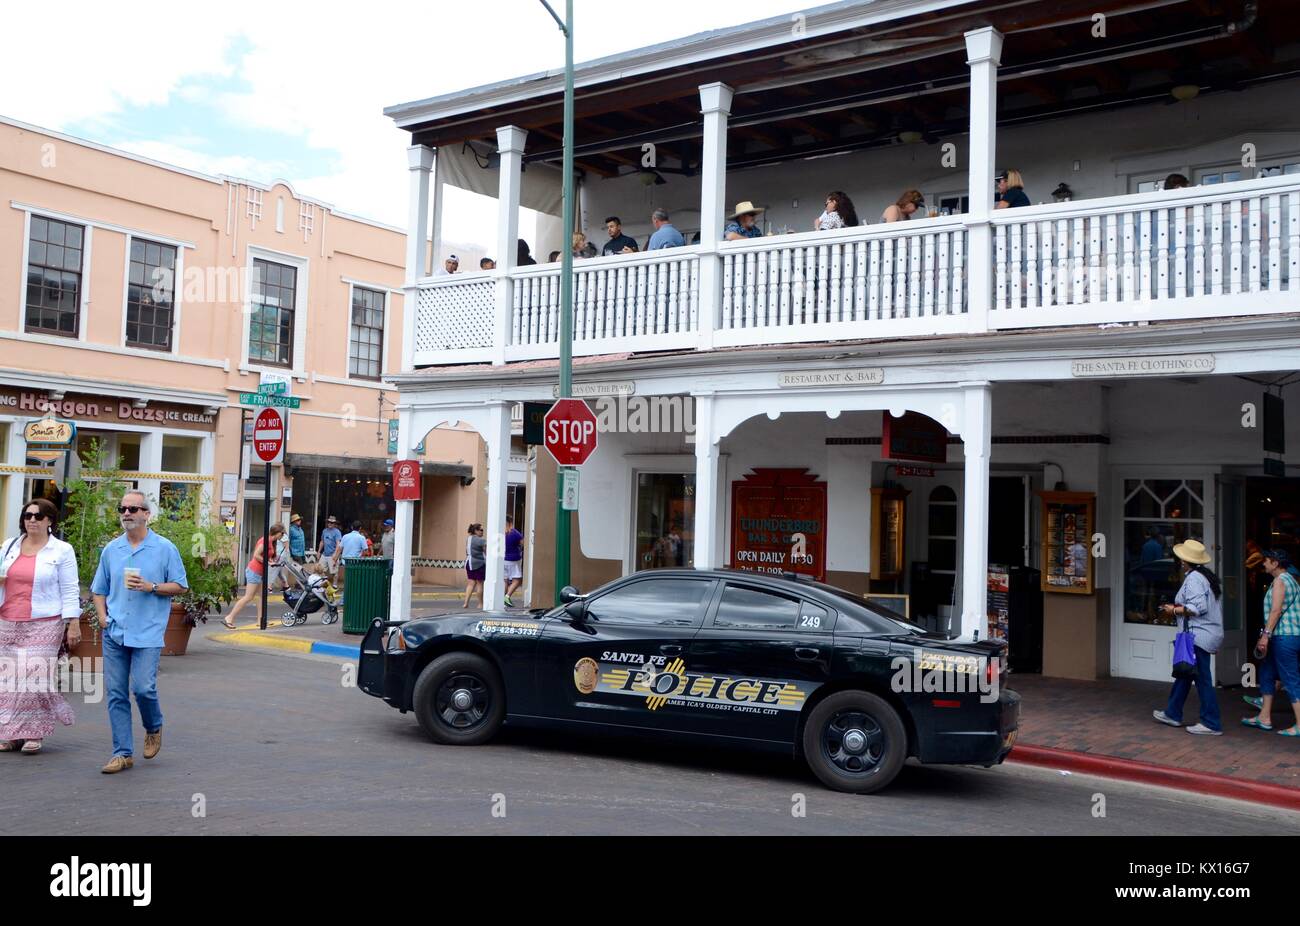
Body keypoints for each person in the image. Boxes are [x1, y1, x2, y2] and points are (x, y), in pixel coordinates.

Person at [90, 490, 188, 774]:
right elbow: (99, 589)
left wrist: (152, 587)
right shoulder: (112, 549)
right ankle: (122, 753)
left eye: (134, 509)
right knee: (116, 693)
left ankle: (153, 725)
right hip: (116, 631)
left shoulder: (165, 548)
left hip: (147, 631)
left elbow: (180, 585)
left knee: (143, 688)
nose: (127, 514)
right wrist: (103, 617)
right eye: (123, 509)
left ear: (147, 513)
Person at [0, 498, 78, 754]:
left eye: (38, 515)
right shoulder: (9, 546)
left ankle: (34, 732)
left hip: (45, 622)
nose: (32, 519)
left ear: (50, 521)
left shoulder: (61, 550)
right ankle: (10, 733)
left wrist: (73, 622)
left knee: (33, 676)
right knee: (8, 679)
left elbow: (69, 588)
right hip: (8, 620)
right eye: (28, 515)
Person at [1152, 539, 1223, 735]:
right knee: (1185, 673)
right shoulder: (1206, 577)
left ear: (1185, 561)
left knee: (1201, 679)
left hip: (1197, 636)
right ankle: (1173, 713)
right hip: (1205, 634)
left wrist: (1172, 610)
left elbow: (1196, 608)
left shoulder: (1193, 579)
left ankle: (1211, 722)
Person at [1244, 549, 1300, 736]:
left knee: (1290, 680)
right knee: (1267, 673)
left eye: (1267, 561)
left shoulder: (1280, 581)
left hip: (1283, 636)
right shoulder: (1292, 579)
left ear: (1276, 563)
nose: (1264, 563)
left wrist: (1265, 635)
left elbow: (1275, 611)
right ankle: (1264, 717)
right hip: (1286, 635)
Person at [224, 523, 285, 630]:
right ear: (277, 532)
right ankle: (229, 617)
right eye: (282, 533)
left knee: (262, 596)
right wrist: (268, 562)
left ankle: (260, 620)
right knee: (248, 597)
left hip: (260, 573)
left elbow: (264, 555)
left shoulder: (271, 542)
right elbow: (256, 555)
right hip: (254, 571)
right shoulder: (265, 540)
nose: (283, 535)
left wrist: (271, 560)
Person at [335, 521, 367, 592]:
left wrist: (335, 559)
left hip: (346, 562)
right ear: (360, 528)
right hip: (356, 562)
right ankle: (353, 592)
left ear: (352, 527)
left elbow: (340, 549)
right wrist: (361, 557)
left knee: (347, 579)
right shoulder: (362, 538)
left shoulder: (345, 536)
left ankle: (347, 594)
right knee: (355, 580)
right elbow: (365, 551)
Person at [463, 523, 486, 609]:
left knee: (471, 583)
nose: (482, 532)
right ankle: (480, 604)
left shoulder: (469, 539)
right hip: (478, 564)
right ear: (476, 531)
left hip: (469, 563)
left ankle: (466, 603)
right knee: (479, 584)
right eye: (481, 530)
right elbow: (487, 549)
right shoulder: (480, 540)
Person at [503, 516, 524, 607]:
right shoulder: (515, 533)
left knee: (505, 580)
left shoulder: (501, 533)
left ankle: (502, 598)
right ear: (511, 522)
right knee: (517, 580)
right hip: (514, 560)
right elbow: (523, 543)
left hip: (503, 560)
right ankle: (507, 596)